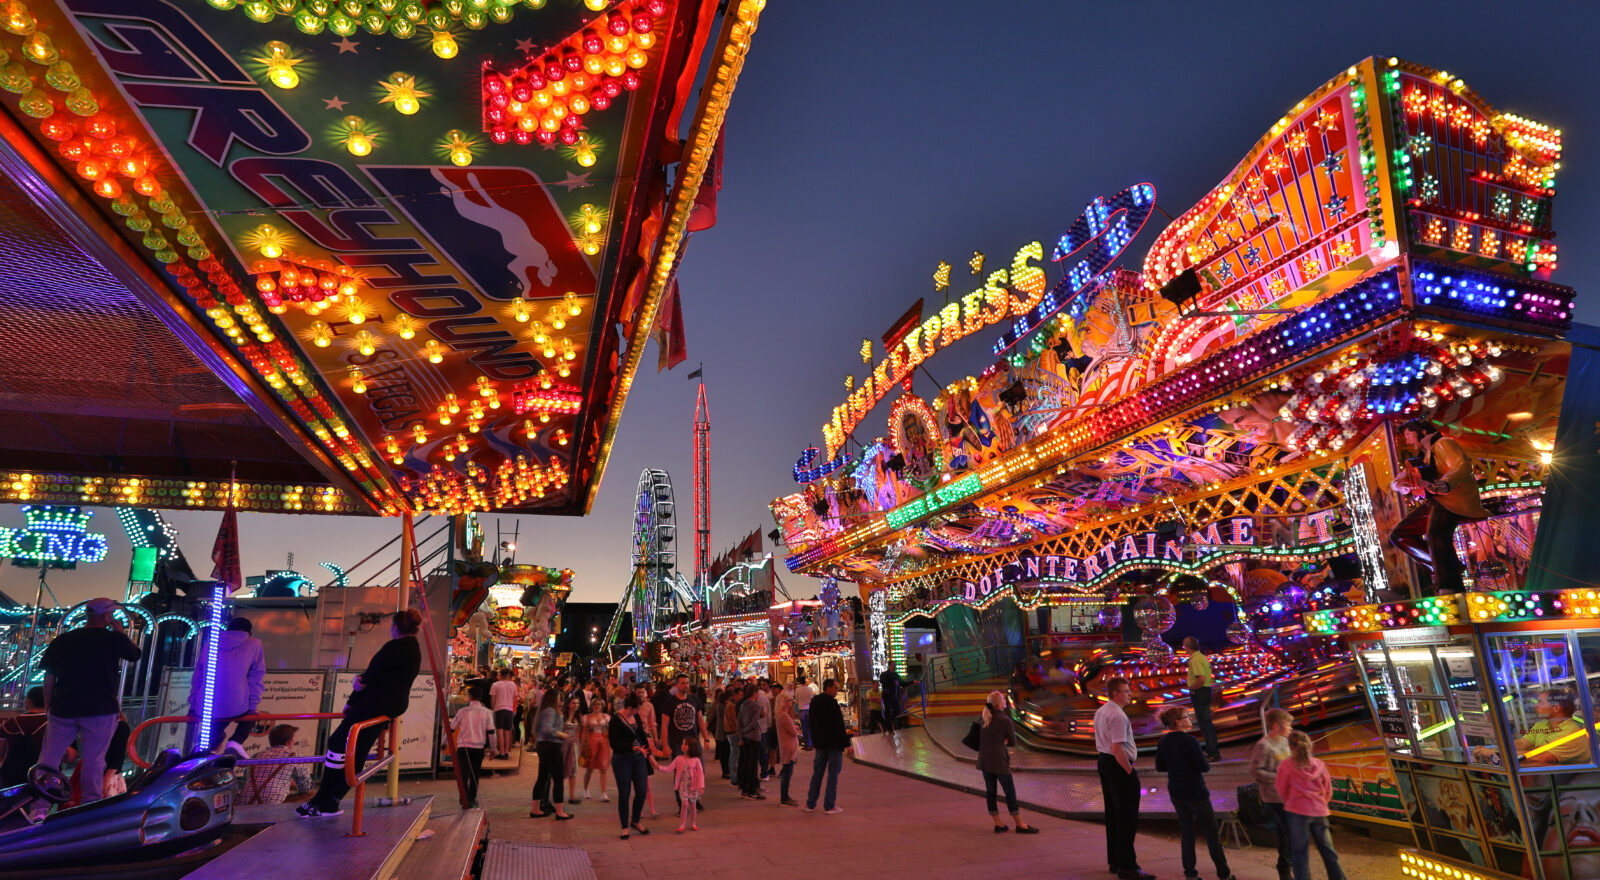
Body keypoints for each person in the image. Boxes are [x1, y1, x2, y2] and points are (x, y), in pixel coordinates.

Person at [299, 609, 423, 818]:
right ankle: (330, 799)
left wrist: (352, 700)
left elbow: (368, 678)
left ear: (395, 627)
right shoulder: (414, 649)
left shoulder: (393, 647)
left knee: (337, 743)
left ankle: (323, 798)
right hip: (392, 705)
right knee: (358, 749)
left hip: (375, 703)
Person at [37, 597, 142, 804]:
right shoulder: (112, 639)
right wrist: (119, 632)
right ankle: (88, 805)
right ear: (105, 616)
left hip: (63, 709)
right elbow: (134, 654)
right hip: (100, 709)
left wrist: (49, 705)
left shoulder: (63, 640)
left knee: (49, 759)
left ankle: (39, 805)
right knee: (94, 761)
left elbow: (49, 678)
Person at [1390, 419, 1489, 595]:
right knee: (1400, 534)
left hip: (1453, 500)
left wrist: (1443, 485)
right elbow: (1399, 479)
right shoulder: (1425, 455)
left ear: (1420, 431)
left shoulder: (1443, 444)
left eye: (1407, 434)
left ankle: (1449, 586)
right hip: (1439, 500)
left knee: (1436, 533)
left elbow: (1461, 466)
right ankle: (1443, 569)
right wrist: (1401, 485)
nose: (1406, 440)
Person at [1155, 707, 1233, 880]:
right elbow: (1204, 767)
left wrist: (1176, 765)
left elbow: (1160, 767)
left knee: (1187, 832)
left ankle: (1190, 873)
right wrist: (1201, 758)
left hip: (1176, 791)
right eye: (1186, 716)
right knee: (1212, 834)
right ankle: (1224, 873)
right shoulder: (1191, 741)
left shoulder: (1164, 741)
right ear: (1178, 722)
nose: (1190, 718)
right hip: (1196, 791)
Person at [1095, 677, 1152, 880]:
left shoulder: (1101, 711)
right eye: (1127, 691)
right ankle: (1128, 867)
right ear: (1116, 693)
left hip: (1104, 762)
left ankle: (1115, 861)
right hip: (1118, 765)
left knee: (1113, 814)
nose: (1130, 694)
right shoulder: (1117, 716)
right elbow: (1117, 747)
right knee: (1127, 817)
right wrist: (1130, 771)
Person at [187, 616, 266, 757]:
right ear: (249, 633)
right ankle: (236, 741)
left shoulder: (210, 643)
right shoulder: (254, 643)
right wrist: (253, 707)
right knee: (248, 715)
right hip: (237, 704)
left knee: (215, 727)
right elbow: (256, 677)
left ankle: (202, 748)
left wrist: (193, 706)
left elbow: (198, 675)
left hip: (206, 703)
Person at [1275, 731, 1347, 880]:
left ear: (1290, 747)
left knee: (1300, 854)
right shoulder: (1319, 765)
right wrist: (1320, 803)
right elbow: (1328, 790)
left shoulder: (1286, 765)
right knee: (1328, 852)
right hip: (1320, 812)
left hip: (1297, 813)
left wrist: (1291, 802)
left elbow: (1281, 789)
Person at [1472, 688, 1587, 766]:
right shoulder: (1542, 725)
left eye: (1540, 702)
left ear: (1556, 708)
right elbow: (1523, 743)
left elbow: (1541, 758)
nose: (1536, 706)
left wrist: (1496, 753)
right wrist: (1496, 749)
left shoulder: (1572, 733)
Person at [978, 691, 1038, 834]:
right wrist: (1002, 742)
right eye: (1003, 700)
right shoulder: (1005, 720)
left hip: (984, 760)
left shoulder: (984, 717)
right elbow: (1012, 741)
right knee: (1010, 793)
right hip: (999, 760)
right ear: (999, 704)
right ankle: (1020, 824)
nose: (1005, 702)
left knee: (991, 791)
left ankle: (998, 824)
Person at [1249, 709, 1296, 880]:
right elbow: (1256, 770)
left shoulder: (1284, 741)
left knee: (1290, 831)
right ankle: (1284, 868)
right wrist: (1279, 778)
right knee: (1288, 831)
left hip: (1290, 793)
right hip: (1275, 796)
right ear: (1277, 726)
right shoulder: (1264, 745)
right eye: (1288, 724)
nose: (1291, 727)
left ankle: (1287, 865)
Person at [609, 694, 652, 839]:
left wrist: (649, 753)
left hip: (639, 758)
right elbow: (614, 743)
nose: (637, 712)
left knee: (641, 790)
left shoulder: (636, 717)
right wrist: (631, 748)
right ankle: (624, 826)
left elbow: (642, 736)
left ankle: (635, 820)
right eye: (636, 709)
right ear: (629, 708)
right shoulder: (616, 720)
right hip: (622, 759)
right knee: (624, 792)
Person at [803, 678, 848, 813]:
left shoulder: (815, 702)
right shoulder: (832, 704)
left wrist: (815, 740)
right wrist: (846, 743)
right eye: (835, 688)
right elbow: (839, 725)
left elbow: (812, 723)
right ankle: (829, 804)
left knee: (818, 773)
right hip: (834, 744)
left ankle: (810, 803)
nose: (836, 691)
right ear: (828, 688)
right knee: (833, 774)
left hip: (821, 744)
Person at [242, 723, 315, 806]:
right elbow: (305, 787)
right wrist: (292, 785)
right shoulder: (294, 757)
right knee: (311, 794)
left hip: (246, 804)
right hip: (272, 806)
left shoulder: (255, 756)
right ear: (289, 742)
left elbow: (246, 778)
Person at [529, 688, 573, 819]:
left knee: (542, 777)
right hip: (551, 746)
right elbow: (548, 729)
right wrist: (562, 734)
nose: (561, 700)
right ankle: (560, 812)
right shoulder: (550, 711)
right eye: (559, 697)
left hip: (544, 746)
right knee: (557, 778)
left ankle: (535, 809)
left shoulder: (546, 711)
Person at [451, 684, 494, 807]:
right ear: (481, 697)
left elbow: (451, 729)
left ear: (469, 697)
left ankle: (463, 799)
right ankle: (471, 798)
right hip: (478, 748)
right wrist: (493, 748)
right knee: (475, 774)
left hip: (463, 747)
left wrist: (444, 743)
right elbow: (491, 732)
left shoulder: (462, 711)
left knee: (463, 774)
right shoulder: (487, 712)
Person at [0, 686, 48, 787]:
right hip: (44, 776)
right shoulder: (55, 726)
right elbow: (70, 757)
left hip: (13, 776)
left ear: (29, 701)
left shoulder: (11, 724)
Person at [1182, 637, 1221, 762]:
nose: (1183, 647)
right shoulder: (1201, 657)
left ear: (1188, 646)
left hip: (1200, 692)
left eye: (1184, 645)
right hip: (1205, 691)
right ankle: (1211, 752)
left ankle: (1213, 754)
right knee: (1206, 724)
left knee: (1205, 725)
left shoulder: (1195, 660)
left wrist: (1192, 688)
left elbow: (1201, 679)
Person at [663, 737, 706, 833]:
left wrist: (701, 786)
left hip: (693, 787)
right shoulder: (679, 759)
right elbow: (669, 768)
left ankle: (693, 823)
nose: (683, 746)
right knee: (685, 803)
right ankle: (682, 824)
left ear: (691, 747)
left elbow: (700, 774)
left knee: (693, 805)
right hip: (683, 786)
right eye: (683, 744)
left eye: (685, 744)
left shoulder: (696, 760)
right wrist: (658, 767)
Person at [737, 682, 765, 799]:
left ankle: (745, 788)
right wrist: (744, 731)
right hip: (753, 736)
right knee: (752, 764)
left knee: (746, 762)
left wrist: (741, 735)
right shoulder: (756, 706)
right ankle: (751, 790)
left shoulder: (743, 705)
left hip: (745, 737)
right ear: (754, 693)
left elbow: (739, 721)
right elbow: (753, 723)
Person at [581, 697, 612, 801]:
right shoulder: (586, 717)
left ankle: (603, 793)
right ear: (592, 706)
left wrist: (610, 744)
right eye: (595, 704)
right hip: (591, 744)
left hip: (603, 744)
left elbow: (608, 731)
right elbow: (584, 733)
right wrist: (582, 746)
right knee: (589, 768)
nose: (596, 706)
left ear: (602, 706)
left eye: (598, 704)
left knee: (603, 768)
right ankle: (585, 789)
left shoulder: (607, 717)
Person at [776, 686, 801, 806]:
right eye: (790, 700)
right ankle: (784, 797)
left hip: (786, 744)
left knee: (786, 771)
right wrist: (797, 731)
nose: (792, 702)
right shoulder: (784, 716)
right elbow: (792, 732)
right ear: (785, 702)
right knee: (787, 772)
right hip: (788, 745)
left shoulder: (782, 714)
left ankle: (785, 796)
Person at [490, 669, 519, 760]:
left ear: (501, 675)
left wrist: (493, 708)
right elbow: (515, 698)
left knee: (500, 731)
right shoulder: (513, 685)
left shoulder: (495, 685)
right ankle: (507, 752)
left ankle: (502, 753)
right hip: (509, 709)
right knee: (507, 731)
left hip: (499, 709)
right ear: (509, 676)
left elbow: (493, 700)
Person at [562, 696, 583, 802]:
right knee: (561, 769)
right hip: (563, 745)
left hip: (574, 745)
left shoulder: (578, 716)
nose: (576, 705)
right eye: (574, 703)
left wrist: (577, 741)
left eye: (577, 703)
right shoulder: (563, 716)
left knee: (573, 769)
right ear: (569, 704)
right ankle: (558, 795)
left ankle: (572, 796)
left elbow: (579, 731)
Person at [723, 685, 744, 788]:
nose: (741, 696)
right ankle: (734, 777)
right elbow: (733, 720)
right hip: (733, 733)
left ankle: (734, 776)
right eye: (740, 694)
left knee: (734, 754)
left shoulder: (732, 704)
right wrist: (738, 732)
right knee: (735, 755)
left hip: (731, 732)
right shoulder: (731, 706)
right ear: (735, 695)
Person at [793, 675, 816, 749]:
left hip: (801, 709)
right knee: (810, 727)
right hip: (809, 709)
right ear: (805, 681)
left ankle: (806, 744)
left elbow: (796, 700)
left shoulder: (797, 690)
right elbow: (812, 698)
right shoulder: (810, 689)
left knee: (804, 728)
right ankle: (810, 744)